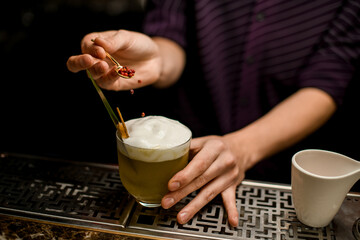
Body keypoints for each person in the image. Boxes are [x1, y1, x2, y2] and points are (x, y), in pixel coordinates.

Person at [67, 0, 359, 227]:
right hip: (181, 164)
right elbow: (171, 35)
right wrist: (157, 57)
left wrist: (242, 147)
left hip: (279, 174)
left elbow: (328, 80)